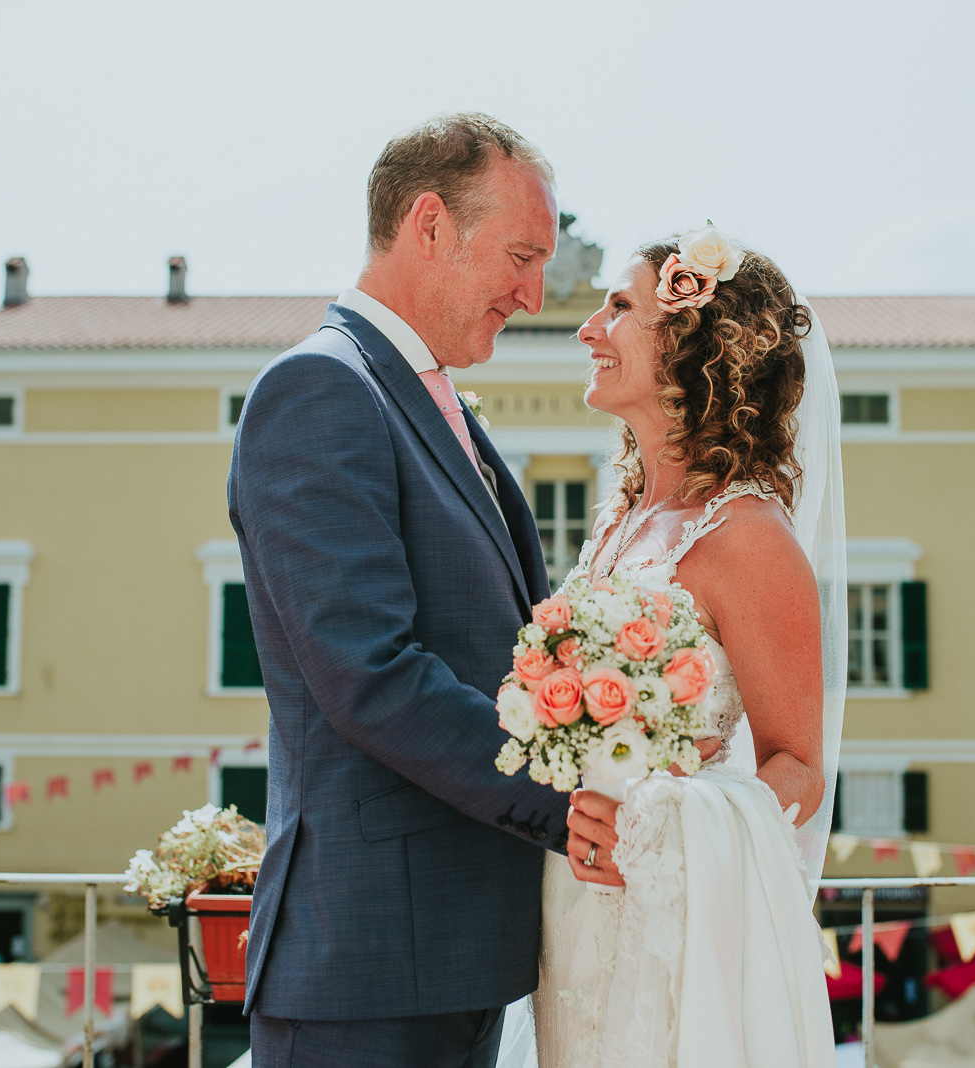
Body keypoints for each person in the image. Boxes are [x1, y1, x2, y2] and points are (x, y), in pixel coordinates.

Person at [228, 113, 578, 1068]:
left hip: (458, 957)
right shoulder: (320, 390)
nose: (533, 292)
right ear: (430, 224)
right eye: (520, 254)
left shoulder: (434, 400)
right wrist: (576, 806)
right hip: (366, 965)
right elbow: (369, 673)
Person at [504, 228, 848, 1067]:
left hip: (673, 926)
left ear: (694, 348)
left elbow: (799, 766)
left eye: (619, 308)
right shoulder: (617, 525)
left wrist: (656, 832)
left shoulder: (751, 538)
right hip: (571, 906)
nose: (587, 329)